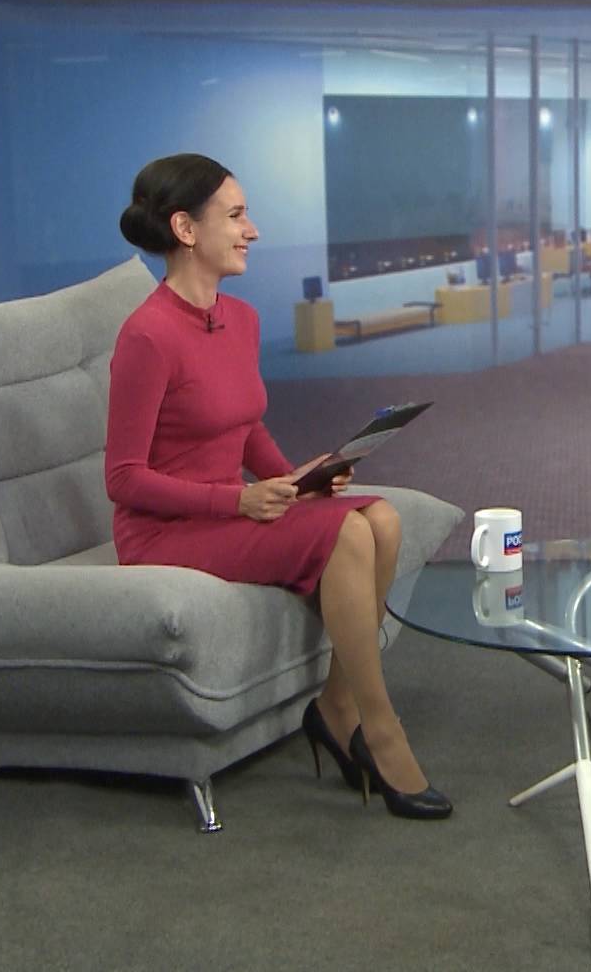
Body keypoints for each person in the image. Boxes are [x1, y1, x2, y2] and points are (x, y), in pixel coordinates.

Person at [107, 153, 450, 820]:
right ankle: (379, 729)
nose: (253, 230)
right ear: (185, 229)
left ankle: (336, 705)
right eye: (236, 216)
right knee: (348, 532)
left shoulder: (240, 319)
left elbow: (244, 427)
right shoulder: (146, 335)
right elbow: (123, 479)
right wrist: (236, 499)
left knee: (380, 517)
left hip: (226, 515)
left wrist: (297, 477)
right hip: (165, 534)